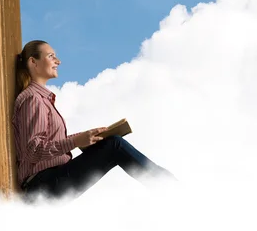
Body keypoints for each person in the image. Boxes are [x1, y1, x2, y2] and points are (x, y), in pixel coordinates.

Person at [12, 39, 175, 200]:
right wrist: (75, 141)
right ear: (33, 62)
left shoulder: (42, 99)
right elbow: (32, 150)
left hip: (51, 179)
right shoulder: (33, 99)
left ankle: (169, 187)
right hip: (41, 185)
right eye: (51, 56)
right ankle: (172, 188)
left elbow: (48, 143)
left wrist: (86, 137)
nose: (58, 61)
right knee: (114, 145)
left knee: (109, 142)